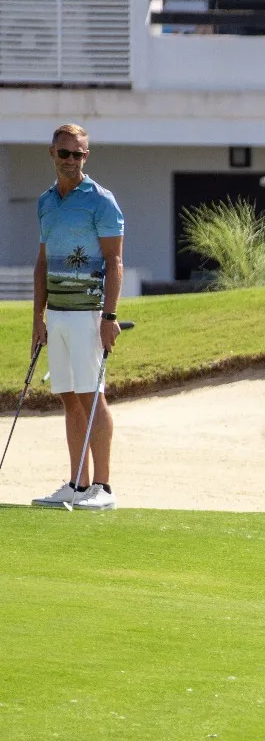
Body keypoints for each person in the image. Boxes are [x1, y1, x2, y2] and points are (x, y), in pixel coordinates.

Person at [30, 123, 124, 510]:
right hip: (59, 315)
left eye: (79, 154)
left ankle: (102, 486)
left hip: (88, 314)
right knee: (69, 398)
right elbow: (41, 264)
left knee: (92, 396)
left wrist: (109, 316)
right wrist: (38, 316)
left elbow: (115, 261)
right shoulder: (46, 201)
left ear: (86, 156)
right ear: (52, 153)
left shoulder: (101, 201)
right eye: (65, 153)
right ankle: (77, 483)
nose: (72, 160)